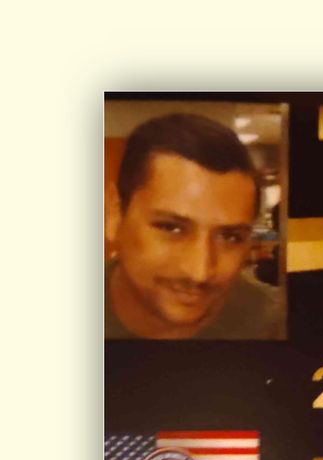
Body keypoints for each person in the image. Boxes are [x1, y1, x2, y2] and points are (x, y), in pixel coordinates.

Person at [106, 111, 283, 340]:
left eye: (230, 237)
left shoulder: (277, 323)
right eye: (171, 228)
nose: (199, 272)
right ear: (114, 215)